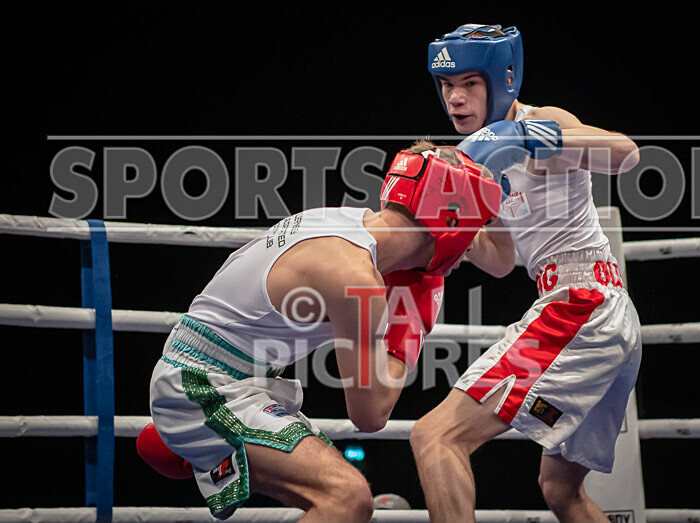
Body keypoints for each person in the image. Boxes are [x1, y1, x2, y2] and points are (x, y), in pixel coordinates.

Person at [142, 141, 503, 521]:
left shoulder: (345, 224)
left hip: (218, 376)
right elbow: (371, 414)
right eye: (473, 229)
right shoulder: (355, 279)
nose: (469, 249)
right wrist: (407, 331)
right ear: (450, 227)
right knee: (346, 497)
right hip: (200, 387)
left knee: (340, 493)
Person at [410, 24, 643, 522]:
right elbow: (499, 261)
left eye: (470, 83)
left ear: (504, 79)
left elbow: (626, 154)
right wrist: (452, 219)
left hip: (580, 305)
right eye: (447, 85)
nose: (454, 97)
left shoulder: (543, 120)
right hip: (593, 309)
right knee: (561, 489)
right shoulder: (482, 163)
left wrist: (524, 136)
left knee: (435, 436)